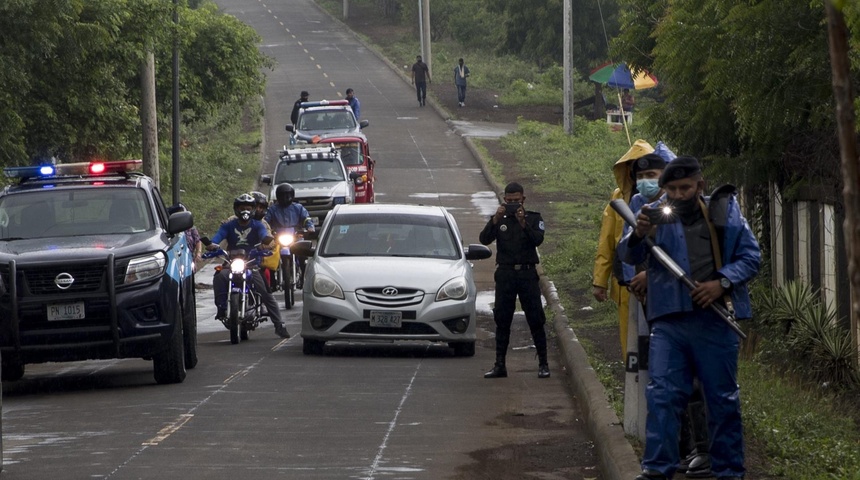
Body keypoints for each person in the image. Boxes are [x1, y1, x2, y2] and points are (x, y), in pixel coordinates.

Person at [618, 156, 760, 480]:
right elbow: (627, 255)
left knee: (721, 399)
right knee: (663, 395)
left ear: (700, 185)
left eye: (686, 187)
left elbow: (751, 256)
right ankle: (656, 470)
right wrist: (639, 234)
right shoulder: (651, 213)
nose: (679, 195)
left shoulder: (724, 210)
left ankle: (728, 472)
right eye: (672, 189)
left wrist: (721, 282)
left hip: (714, 319)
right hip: (668, 321)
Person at [479, 182, 549, 379]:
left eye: (516, 201)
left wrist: (523, 223)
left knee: (535, 318)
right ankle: (500, 364)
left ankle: (543, 363)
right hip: (506, 274)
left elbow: (538, 240)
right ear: (504, 200)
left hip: (527, 273)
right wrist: (496, 219)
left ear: (523, 200)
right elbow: (484, 239)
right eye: (509, 201)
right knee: (502, 319)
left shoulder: (533, 218)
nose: (512, 204)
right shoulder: (501, 220)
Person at [592, 139, 654, 358]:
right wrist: (600, 280)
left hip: (657, 282)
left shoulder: (666, 200)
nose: (644, 178)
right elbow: (608, 239)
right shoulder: (618, 198)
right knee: (630, 344)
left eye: (650, 173)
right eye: (639, 171)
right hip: (627, 284)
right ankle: (632, 387)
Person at [207, 193, 291, 339]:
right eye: (242, 208)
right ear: (236, 209)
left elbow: (265, 236)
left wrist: (266, 242)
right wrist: (212, 245)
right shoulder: (229, 225)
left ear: (253, 210)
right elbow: (218, 236)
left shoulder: (259, 225)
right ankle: (221, 308)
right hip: (231, 262)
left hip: (252, 264)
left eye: (248, 208)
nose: (245, 211)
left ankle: (279, 325)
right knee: (219, 277)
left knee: (266, 293)